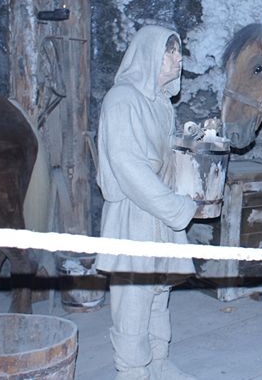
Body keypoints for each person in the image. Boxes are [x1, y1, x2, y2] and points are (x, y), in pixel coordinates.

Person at [95, 25, 198, 380]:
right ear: (148, 55)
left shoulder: (162, 106)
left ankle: (158, 362)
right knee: (133, 300)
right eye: (169, 52)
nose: (177, 58)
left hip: (159, 212)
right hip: (134, 213)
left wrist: (189, 152)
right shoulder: (121, 99)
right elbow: (128, 168)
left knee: (158, 291)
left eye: (177, 50)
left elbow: (166, 156)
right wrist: (176, 209)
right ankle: (133, 370)